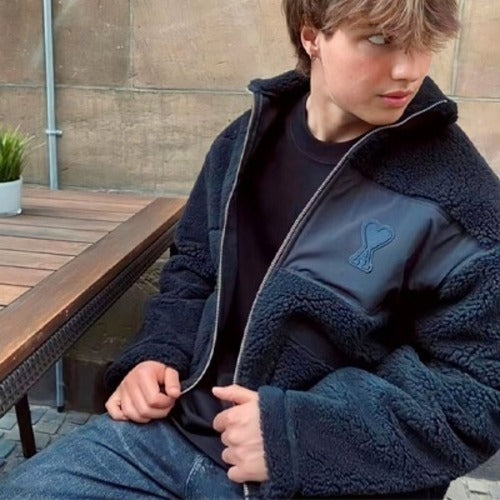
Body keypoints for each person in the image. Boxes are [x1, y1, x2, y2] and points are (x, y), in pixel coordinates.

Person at [1, 0, 499, 498]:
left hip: (316, 478)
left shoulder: (463, 197)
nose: (409, 68)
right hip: (171, 434)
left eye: (423, 41)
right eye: (380, 39)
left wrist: (298, 439)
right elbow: (193, 269)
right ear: (312, 37)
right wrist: (156, 354)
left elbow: (481, 390)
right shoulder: (242, 143)